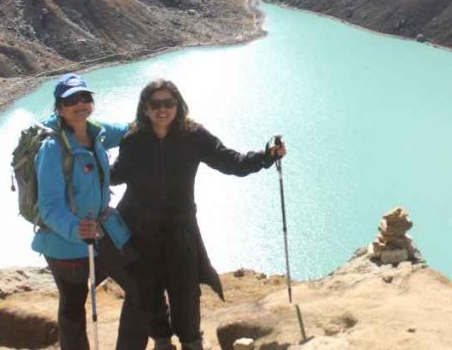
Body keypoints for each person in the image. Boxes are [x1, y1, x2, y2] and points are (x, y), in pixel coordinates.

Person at [111, 79, 287, 350]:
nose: (162, 109)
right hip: (140, 229)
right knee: (149, 288)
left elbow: (231, 162)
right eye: (155, 104)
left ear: (178, 105)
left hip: (180, 229)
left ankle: (191, 342)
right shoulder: (134, 140)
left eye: (168, 103)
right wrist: (85, 165)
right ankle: (161, 342)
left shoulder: (193, 136)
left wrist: (265, 157)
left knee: (185, 291)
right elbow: (117, 174)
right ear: (144, 108)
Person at [32, 73, 139, 349]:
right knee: (73, 310)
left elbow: (130, 130)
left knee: (141, 286)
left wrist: (159, 118)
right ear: (59, 107)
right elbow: (49, 206)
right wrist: (75, 228)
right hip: (67, 244)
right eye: (71, 100)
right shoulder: (52, 149)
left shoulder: (96, 131)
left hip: (105, 233)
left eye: (85, 97)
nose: (80, 104)